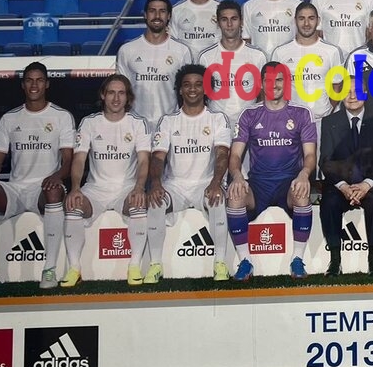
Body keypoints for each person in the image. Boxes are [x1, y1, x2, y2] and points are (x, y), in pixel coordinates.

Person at [0, 62, 74, 290]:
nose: (34, 85)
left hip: (43, 189)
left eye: (39, 80)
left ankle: (49, 269)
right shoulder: (9, 118)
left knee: (54, 190)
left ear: (47, 84)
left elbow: (68, 160)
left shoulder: (62, 116)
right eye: (29, 80)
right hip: (15, 188)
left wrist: (57, 176)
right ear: (23, 85)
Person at [226, 63, 318, 280]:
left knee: (302, 193)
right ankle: (245, 261)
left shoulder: (302, 113)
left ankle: (297, 259)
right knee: (235, 196)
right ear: (261, 83)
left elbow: (310, 155)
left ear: (286, 83)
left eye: (278, 80)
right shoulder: (249, 114)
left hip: (289, 182)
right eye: (268, 80)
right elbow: (235, 155)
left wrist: (304, 174)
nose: (274, 85)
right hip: (259, 184)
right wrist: (237, 176)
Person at [61, 74, 151, 288]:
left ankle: (134, 266)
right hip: (95, 189)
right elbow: (79, 159)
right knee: (73, 205)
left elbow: (144, 161)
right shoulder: (90, 123)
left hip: (126, 188)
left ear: (128, 97)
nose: (116, 98)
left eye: (121, 93)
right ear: (103, 95)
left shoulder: (138, 123)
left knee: (139, 202)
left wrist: (139, 187)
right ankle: (74, 268)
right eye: (111, 93)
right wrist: (75, 188)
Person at [146, 65, 234, 282]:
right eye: (187, 85)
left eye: (198, 85)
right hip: (175, 185)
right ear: (180, 90)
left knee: (217, 199)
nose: (192, 89)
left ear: (206, 89)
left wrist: (216, 182)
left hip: (205, 183)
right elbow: (158, 157)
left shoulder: (217, 119)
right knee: (156, 201)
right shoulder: (168, 121)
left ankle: (220, 264)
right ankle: (155, 265)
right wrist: (155, 183)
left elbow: (222, 154)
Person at [318, 92, 373, 276]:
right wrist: (343, 186)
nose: (352, 96)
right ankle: (335, 261)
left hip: (369, 185)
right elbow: (326, 161)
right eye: (347, 92)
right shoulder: (329, 122)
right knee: (329, 203)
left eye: (357, 91)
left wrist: (366, 185)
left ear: (365, 94)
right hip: (340, 185)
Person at [116, 0, 193, 125]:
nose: (157, 16)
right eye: (152, 11)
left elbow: (187, 93)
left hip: (170, 126)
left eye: (162, 11)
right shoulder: (127, 50)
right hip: (135, 127)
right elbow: (122, 91)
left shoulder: (182, 51)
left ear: (169, 16)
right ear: (145, 15)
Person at [267, 2, 344, 134]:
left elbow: (337, 86)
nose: (306, 24)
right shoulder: (280, 52)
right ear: (295, 21)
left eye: (311, 18)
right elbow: (273, 88)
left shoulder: (332, 51)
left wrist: (327, 110)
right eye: (302, 18)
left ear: (318, 21)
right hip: (290, 122)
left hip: (323, 121)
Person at [198, 0, 266, 130]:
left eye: (234, 19)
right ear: (218, 23)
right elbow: (202, 96)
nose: (229, 24)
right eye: (224, 19)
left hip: (249, 127)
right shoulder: (206, 57)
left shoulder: (258, 56)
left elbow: (263, 94)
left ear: (241, 22)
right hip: (216, 128)